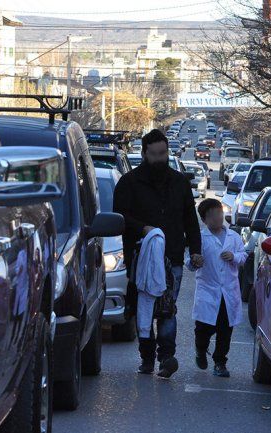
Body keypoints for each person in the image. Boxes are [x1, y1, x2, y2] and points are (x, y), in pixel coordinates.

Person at [113, 128, 203, 379]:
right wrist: (143, 228)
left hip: (172, 257)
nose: (159, 159)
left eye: (163, 153)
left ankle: (166, 357)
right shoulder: (129, 183)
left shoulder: (179, 182)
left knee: (167, 307)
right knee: (143, 306)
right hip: (140, 257)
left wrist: (196, 251)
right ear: (144, 154)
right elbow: (120, 216)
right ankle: (147, 357)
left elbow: (190, 220)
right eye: (154, 154)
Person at [190, 198, 246, 377]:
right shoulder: (200, 238)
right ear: (204, 220)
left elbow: (243, 256)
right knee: (203, 328)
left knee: (225, 330)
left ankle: (220, 363)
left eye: (219, 213)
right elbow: (189, 261)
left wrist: (234, 257)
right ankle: (200, 349)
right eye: (212, 215)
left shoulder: (233, 237)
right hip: (208, 290)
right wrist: (194, 261)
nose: (217, 218)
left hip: (228, 292)